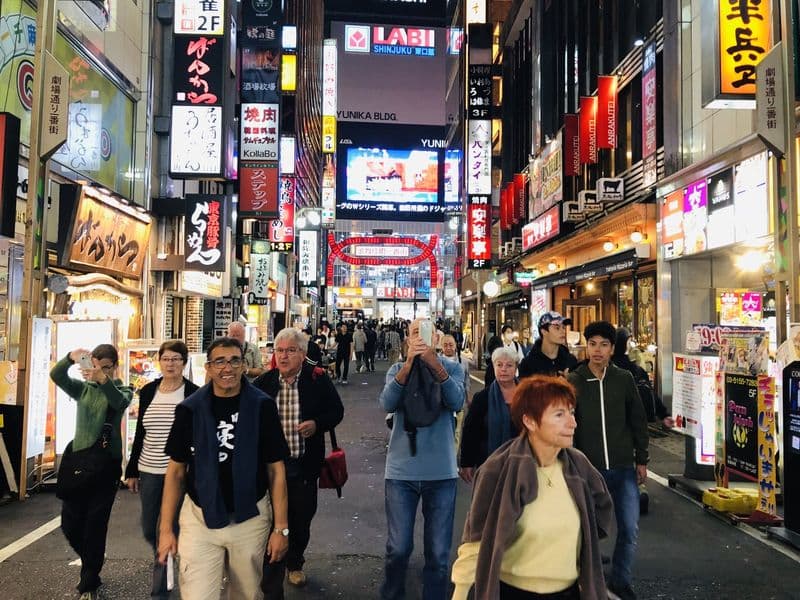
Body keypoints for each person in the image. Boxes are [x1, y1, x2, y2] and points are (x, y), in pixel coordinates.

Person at [451, 375, 614, 600]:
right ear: (530, 421)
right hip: (514, 593)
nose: (572, 423)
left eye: (571, 413)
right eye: (559, 415)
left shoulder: (579, 466)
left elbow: (600, 512)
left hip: (569, 593)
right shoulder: (498, 469)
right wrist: (460, 592)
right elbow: (475, 540)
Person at [157, 337, 290, 600]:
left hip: (250, 517)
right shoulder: (190, 409)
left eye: (234, 361)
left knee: (247, 593)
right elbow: (175, 472)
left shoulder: (262, 406)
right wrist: (165, 530)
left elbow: (276, 470)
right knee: (197, 594)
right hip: (199, 517)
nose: (227, 368)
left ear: (243, 366)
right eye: (219, 361)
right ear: (208, 367)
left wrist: (281, 529)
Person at [379, 318, 465, 600]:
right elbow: (387, 403)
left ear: (437, 340)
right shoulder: (396, 370)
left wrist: (434, 365)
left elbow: (457, 401)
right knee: (398, 549)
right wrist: (408, 366)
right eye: (415, 333)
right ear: (407, 339)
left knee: (439, 555)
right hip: (401, 472)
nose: (420, 338)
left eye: (426, 333)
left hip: (441, 472)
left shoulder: (451, 368)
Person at [254, 328, 344, 594]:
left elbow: (336, 411)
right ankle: (272, 571)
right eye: (279, 351)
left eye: (290, 351)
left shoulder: (316, 380)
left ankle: (295, 561)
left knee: (301, 517)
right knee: (270, 520)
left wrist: (317, 424)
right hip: (271, 467)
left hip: (303, 464)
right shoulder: (265, 383)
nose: (283, 356)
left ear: (302, 355)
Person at [567, 321, 649, 600]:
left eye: (604, 344)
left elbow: (638, 420)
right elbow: (569, 423)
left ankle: (620, 579)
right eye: (592, 344)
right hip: (588, 469)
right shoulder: (575, 380)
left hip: (624, 466)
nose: (597, 350)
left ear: (613, 348)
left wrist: (642, 459)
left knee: (630, 526)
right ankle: (585, 581)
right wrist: (571, 462)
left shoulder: (624, 379)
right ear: (586, 347)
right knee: (586, 530)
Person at [50, 344, 133, 600]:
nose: (98, 370)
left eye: (105, 366)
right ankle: (92, 562)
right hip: (79, 463)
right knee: (70, 523)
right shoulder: (83, 389)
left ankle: (88, 581)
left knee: (95, 524)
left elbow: (119, 402)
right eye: (95, 365)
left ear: (114, 366)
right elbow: (57, 376)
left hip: (106, 467)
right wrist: (70, 358)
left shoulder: (122, 389)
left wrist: (103, 379)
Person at [124, 340, 199, 600]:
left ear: (183, 363)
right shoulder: (148, 392)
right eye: (166, 359)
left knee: (164, 530)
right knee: (148, 528)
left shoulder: (192, 393)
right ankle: (166, 557)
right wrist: (131, 469)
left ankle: (160, 590)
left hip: (178, 472)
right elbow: (141, 433)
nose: (170, 364)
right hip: (148, 469)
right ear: (160, 361)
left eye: (176, 359)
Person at [612, 327, 673, 515]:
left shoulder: (604, 369)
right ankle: (638, 490)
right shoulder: (635, 370)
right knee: (634, 456)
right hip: (635, 422)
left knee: (613, 459)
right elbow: (650, 394)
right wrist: (663, 415)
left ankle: (616, 493)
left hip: (611, 422)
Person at [459, 347, 520, 484]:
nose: (503, 369)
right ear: (493, 367)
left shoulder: (527, 395)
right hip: (488, 463)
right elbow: (470, 431)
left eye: (509, 365)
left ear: (516, 368)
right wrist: (467, 463)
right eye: (499, 365)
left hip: (523, 464)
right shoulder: (482, 398)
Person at [519, 312, 578, 378]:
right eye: (557, 328)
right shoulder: (528, 363)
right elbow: (524, 387)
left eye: (564, 327)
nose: (563, 331)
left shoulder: (570, 360)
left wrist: (570, 382)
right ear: (544, 331)